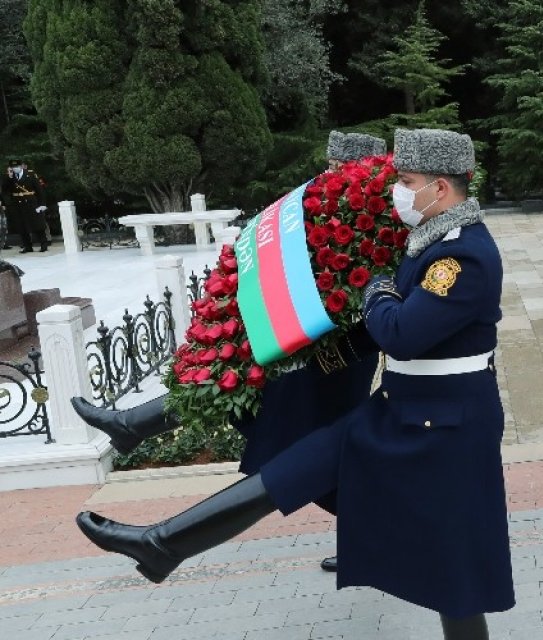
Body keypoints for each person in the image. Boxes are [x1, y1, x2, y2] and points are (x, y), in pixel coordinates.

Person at [75, 128, 510, 640]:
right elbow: (390, 326)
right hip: (403, 409)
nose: (399, 192)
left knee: (454, 571)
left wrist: (375, 291)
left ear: (440, 188)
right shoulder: (430, 239)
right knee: (289, 472)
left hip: (447, 428)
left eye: (408, 182)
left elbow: (402, 334)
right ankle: (161, 544)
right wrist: (333, 345)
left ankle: (161, 542)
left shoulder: (462, 255)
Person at [70, 131, 389, 573]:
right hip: (304, 353)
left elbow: (377, 310)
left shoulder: (378, 223)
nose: (330, 174)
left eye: (341, 168)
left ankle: (379, 539)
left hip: (333, 363)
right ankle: (131, 427)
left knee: (301, 453)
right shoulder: (323, 207)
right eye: (331, 165)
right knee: (293, 444)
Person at [3, 159, 49, 253]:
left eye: (17, 166)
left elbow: (39, 190)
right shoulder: (11, 177)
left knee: (37, 225)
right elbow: (5, 190)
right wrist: (9, 178)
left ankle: (43, 244)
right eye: (13, 167)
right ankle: (27, 246)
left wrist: (42, 204)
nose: (15, 168)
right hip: (18, 204)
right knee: (22, 226)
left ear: (21, 166)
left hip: (31, 203)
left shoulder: (30, 175)